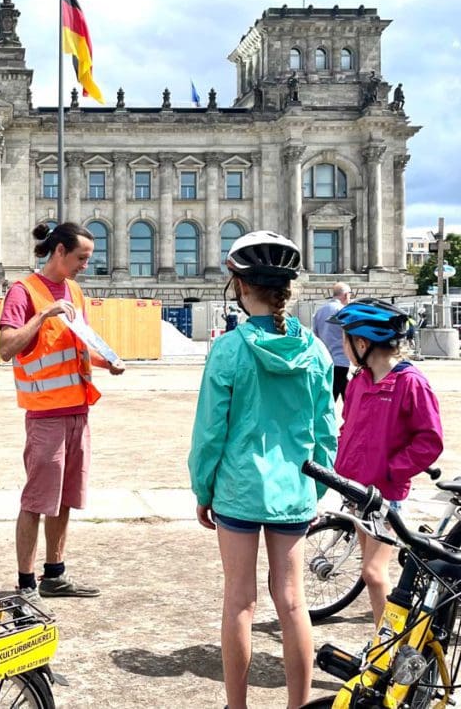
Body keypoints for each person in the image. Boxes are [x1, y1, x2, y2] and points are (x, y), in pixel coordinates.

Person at [188, 231, 337, 709]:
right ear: (286, 289)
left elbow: (210, 431)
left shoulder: (229, 349)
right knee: (292, 602)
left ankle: (237, 707)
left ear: (238, 284)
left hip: (238, 488)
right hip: (293, 489)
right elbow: (326, 431)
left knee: (240, 601)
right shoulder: (314, 350)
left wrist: (203, 488)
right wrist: (314, 491)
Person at [0, 222, 125, 605]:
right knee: (37, 501)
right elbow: (7, 348)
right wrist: (44, 315)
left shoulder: (75, 291)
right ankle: (25, 583)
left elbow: (79, 347)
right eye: (81, 258)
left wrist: (108, 362)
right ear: (59, 253)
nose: (87, 264)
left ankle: (55, 574)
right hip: (46, 417)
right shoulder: (24, 292)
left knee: (66, 498)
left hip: (78, 412)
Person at [329, 298, 443, 625]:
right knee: (370, 571)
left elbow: (429, 441)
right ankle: (384, 643)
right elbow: (349, 427)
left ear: (362, 343)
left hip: (384, 496)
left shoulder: (410, 382)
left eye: (345, 339)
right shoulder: (360, 381)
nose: (343, 346)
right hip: (357, 490)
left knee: (374, 572)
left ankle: (388, 648)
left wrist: (392, 471)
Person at [312, 282, 352, 402]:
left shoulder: (320, 311)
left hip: (325, 358)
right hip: (341, 358)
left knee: (338, 389)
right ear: (345, 295)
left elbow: (316, 334)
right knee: (337, 393)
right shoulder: (344, 311)